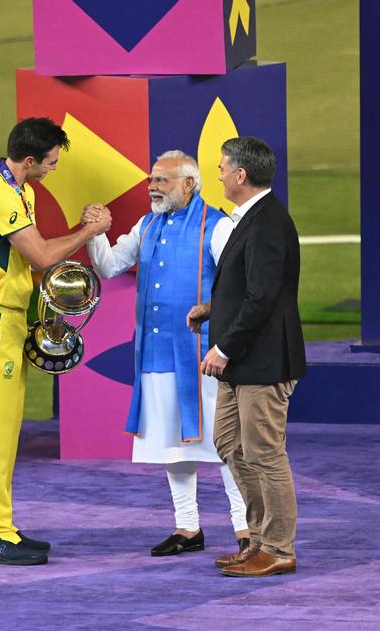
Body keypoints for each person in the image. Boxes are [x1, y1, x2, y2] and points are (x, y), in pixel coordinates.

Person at [0, 117, 111, 566]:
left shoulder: (19, 190)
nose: (53, 169)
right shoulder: (1, 195)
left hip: (5, 320)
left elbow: (26, 262)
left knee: (5, 433)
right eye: (50, 162)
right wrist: (88, 232)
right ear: (29, 160)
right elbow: (41, 255)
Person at [85, 150, 249, 559]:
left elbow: (240, 286)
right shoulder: (147, 224)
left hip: (205, 358)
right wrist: (93, 232)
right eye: (151, 180)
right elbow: (107, 266)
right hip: (156, 355)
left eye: (162, 180)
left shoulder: (218, 226)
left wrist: (223, 340)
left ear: (189, 184)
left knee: (225, 444)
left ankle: (246, 528)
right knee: (172, 446)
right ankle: (187, 527)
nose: (152, 188)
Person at [187, 136, 306, 577]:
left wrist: (222, 347)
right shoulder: (252, 219)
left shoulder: (267, 224)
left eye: (221, 168)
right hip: (246, 363)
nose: (216, 174)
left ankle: (278, 548)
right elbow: (249, 289)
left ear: (240, 175)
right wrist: (213, 310)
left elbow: (263, 298)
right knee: (231, 444)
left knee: (265, 453)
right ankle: (257, 538)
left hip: (264, 362)